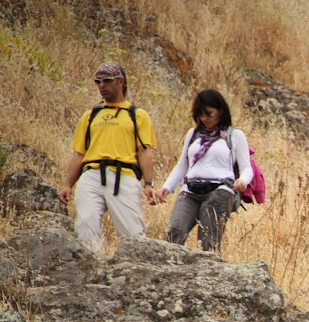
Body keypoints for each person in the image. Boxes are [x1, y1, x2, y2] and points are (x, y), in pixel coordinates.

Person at [59, 62, 157, 251]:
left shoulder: (137, 115)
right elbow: (79, 153)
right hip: (91, 174)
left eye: (107, 81)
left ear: (121, 82)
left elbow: (144, 151)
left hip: (124, 175)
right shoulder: (90, 116)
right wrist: (68, 185)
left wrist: (148, 184)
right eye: (98, 82)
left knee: (132, 233)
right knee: (85, 224)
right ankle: (92, 261)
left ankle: (136, 265)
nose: (101, 86)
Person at [156, 89, 252, 254]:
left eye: (209, 114)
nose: (204, 119)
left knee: (208, 241)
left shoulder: (235, 135)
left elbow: (246, 167)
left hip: (220, 191)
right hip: (190, 190)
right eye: (200, 114)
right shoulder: (193, 134)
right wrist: (167, 187)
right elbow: (183, 165)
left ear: (220, 110)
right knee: (173, 233)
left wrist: (243, 181)